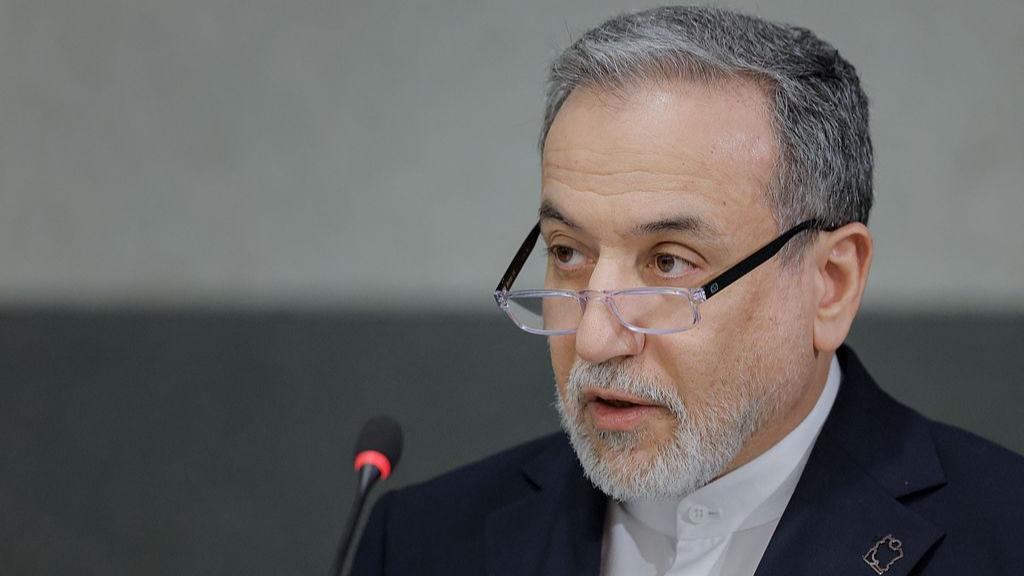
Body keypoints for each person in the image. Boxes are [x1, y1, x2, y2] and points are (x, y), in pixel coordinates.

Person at [351, 6, 1024, 575]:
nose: (594, 337)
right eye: (568, 253)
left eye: (670, 263)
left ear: (831, 284)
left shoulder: (1001, 537)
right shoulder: (420, 544)